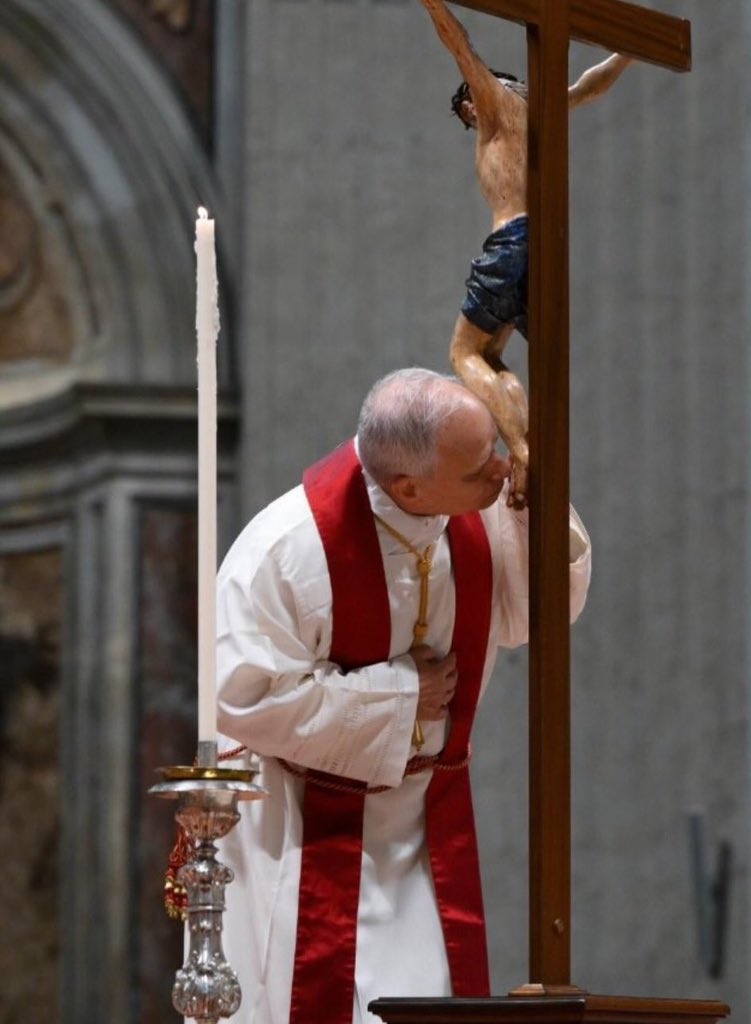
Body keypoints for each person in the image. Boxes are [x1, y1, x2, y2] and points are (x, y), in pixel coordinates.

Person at [215, 367, 592, 1024]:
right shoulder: (284, 550)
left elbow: (539, 610)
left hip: (420, 831)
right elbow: (247, 699)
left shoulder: (474, 511)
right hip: (302, 832)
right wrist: (400, 695)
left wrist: (541, 486)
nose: (501, 472)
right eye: (482, 466)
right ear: (410, 487)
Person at [419, 0, 632, 507]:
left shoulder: (494, 99)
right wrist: (629, 52)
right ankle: (525, 448)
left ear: (473, 98)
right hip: (546, 244)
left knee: (463, 353)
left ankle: (525, 451)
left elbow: (459, 45)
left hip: (512, 239)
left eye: (465, 110)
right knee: (495, 354)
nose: (470, 118)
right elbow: (592, 84)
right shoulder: (542, 103)